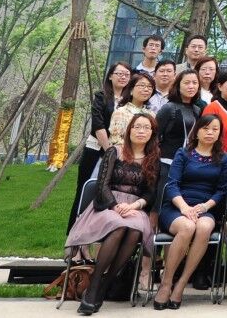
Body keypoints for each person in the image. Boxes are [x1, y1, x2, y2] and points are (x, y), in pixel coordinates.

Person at [66, 114, 159, 315]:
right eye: (137, 126)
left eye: (146, 128)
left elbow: (150, 193)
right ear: (129, 130)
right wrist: (115, 206)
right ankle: (95, 285)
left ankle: (103, 286)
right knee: (120, 226)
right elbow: (102, 184)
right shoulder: (114, 151)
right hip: (107, 205)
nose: (141, 131)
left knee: (134, 230)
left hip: (135, 207)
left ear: (152, 133)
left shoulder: (153, 159)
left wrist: (135, 206)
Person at [154, 114, 227, 309]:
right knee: (187, 227)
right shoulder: (183, 153)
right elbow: (172, 185)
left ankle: (181, 284)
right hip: (177, 206)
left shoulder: (223, 159)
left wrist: (204, 207)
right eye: (205, 128)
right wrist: (184, 208)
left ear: (219, 134)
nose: (210, 132)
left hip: (205, 207)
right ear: (197, 132)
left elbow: (221, 190)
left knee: (204, 227)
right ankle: (166, 283)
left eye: (215, 129)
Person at [155, 69, 208, 233]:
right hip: (166, 163)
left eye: (195, 83)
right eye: (187, 83)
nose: (191, 86)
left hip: (186, 165)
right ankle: (148, 248)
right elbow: (155, 137)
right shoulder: (168, 108)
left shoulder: (197, 110)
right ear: (178, 85)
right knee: (158, 205)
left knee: (177, 209)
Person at [109, 72, 156, 146]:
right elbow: (115, 141)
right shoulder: (121, 112)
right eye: (142, 85)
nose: (146, 89)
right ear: (131, 90)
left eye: (150, 87)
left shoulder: (152, 115)